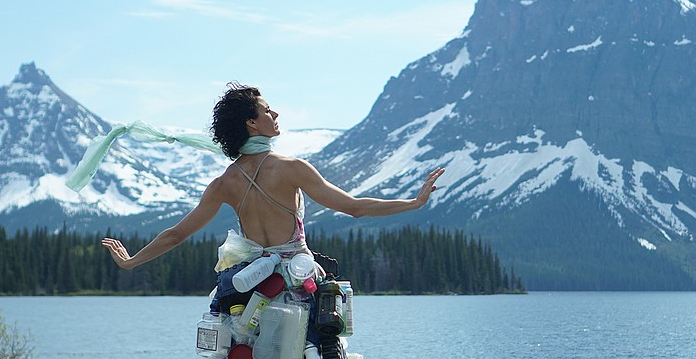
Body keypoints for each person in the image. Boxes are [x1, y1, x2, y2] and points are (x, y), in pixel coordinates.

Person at [100, 83, 444, 271]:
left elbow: (176, 235)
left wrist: (131, 262)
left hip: (250, 279)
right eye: (267, 110)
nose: (275, 113)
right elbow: (354, 208)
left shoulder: (223, 184)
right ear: (252, 123)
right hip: (297, 276)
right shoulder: (292, 168)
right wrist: (413, 203)